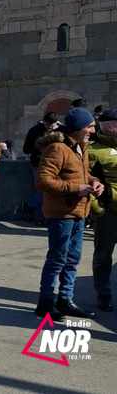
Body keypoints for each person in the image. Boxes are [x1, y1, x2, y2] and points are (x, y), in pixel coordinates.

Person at [35, 108, 104, 320]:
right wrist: (76, 188)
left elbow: (82, 174)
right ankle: (46, 303)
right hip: (61, 214)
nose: (93, 130)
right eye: (89, 126)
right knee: (57, 258)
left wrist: (94, 182)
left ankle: (65, 300)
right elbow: (43, 180)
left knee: (73, 258)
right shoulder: (57, 148)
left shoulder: (80, 147)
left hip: (79, 212)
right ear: (78, 128)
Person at [87, 108, 117, 312]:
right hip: (108, 212)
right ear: (107, 126)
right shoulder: (93, 150)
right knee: (103, 255)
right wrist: (97, 206)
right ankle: (103, 293)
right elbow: (85, 179)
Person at [23, 112, 60, 224]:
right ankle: (40, 217)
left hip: (45, 164)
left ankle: (39, 215)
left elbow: (26, 149)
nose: (49, 127)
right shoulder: (36, 131)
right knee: (43, 191)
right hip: (45, 165)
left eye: (51, 125)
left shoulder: (35, 130)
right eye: (48, 125)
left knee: (43, 190)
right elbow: (26, 149)